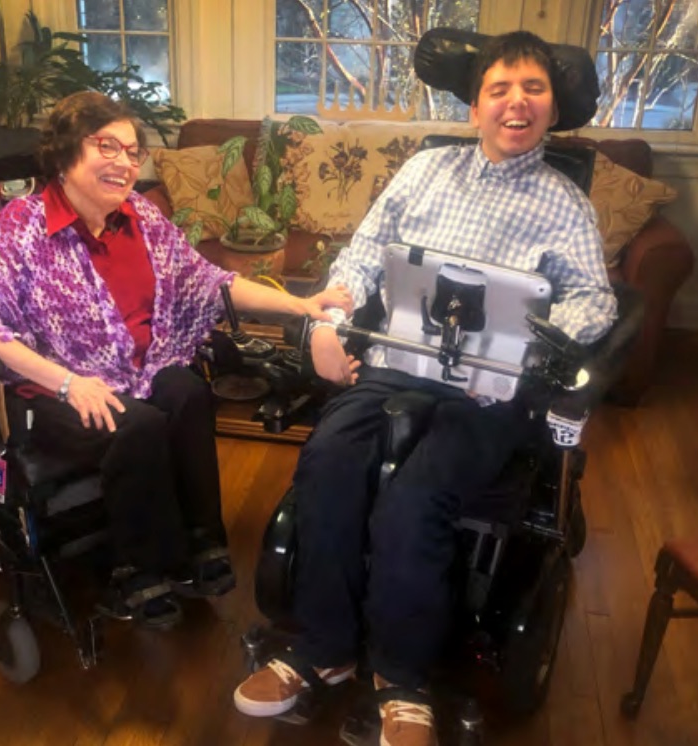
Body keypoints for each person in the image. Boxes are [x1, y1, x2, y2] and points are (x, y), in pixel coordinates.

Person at [233, 31, 617, 745]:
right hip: (397, 360)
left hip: (492, 385)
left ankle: (401, 682)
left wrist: (545, 334)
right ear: (475, 105)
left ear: (553, 107)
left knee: (418, 496)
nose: (515, 103)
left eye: (532, 89)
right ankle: (324, 649)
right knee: (327, 463)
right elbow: (361, 257)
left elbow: (596, 300)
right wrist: (330, 317)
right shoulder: (426, 170)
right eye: (499, 89)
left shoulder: (566, 204)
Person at [0, 92, 352, 629]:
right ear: (67, 153)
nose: (124, 162)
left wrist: (302, 305)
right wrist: (70, 384)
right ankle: (138, 566)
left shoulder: (139, 215)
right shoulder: (20, 227)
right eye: (107, 146)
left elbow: (211, 282)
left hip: (134, 372)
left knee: (186, 391)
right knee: (134, 424)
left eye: (133, 152)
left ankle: (201, 542)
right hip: (52, 391)